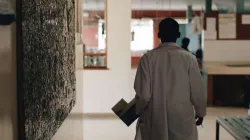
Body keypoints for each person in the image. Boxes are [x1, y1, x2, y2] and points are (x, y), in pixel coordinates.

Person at [134, 18, 207, 140]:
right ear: (178, 35)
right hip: (182, 116)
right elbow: (198, 91)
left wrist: (137, 111)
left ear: (159, 35)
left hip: (155, 116)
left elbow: (144, 95)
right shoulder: (189, 59)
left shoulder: (147, 59)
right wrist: (200, 112)